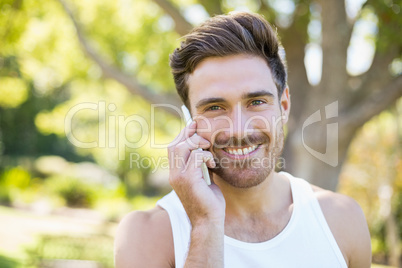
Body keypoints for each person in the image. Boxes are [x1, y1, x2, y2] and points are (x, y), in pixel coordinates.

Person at [114, 12, 371, 268]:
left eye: (256, 102)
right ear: (188, 120)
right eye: (215, 107)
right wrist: (205, 224)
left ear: (283, 105)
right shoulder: (145, 236)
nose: (238, 129)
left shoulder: (343, 220)